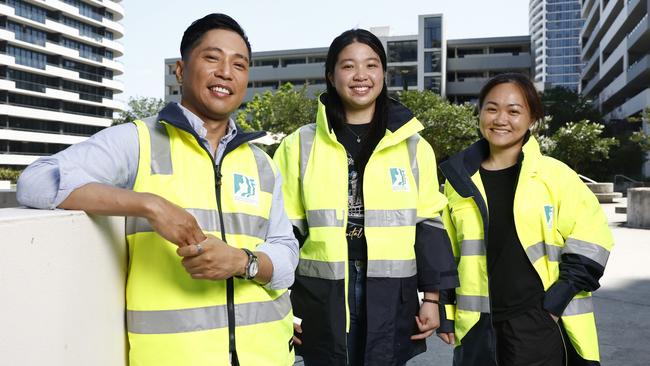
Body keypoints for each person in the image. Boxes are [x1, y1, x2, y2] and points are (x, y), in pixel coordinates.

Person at [17, 13, 298, 366]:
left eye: (239, 64)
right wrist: (149, 205)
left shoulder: (262, 163)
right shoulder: (138, 141)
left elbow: (287, 255)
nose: (226, 72)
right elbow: (36, 181)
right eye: (212, 58)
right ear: (180, 70)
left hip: (269, 356)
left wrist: (243, 261)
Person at [273, 29, 459, 366]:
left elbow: (429, 225)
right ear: (331, 75)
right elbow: (282, 232)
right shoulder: (299, 144)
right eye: (348, 66)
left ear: (383, 74)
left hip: (393, 292)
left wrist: (433, 298)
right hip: (321, 293)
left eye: (371, 65)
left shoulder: (414, 146)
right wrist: (279, 300)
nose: (361, 76)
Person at [437, 73, 614, 366]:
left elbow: (593, 239)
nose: (500, 118)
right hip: (477, 325)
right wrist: (445, 309)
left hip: (536, 321)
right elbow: (447, 251)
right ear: (479, 113)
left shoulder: (555, 175)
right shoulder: (458, 181)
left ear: (532, 118)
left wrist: (556, 301)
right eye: (491, 108)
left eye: (514, 110)